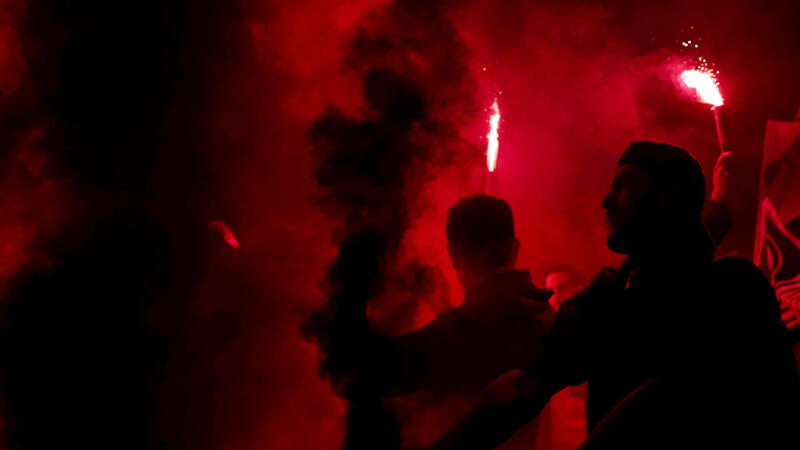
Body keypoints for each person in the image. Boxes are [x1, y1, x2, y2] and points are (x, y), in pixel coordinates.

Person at [429, 141, 800, 449]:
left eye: (623, 184)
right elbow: (526, 385)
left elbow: (667, 398)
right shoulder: (610, 297)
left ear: (669, 194)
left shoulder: (732, 289)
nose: (606, 201)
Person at [532, 265, 588, 450]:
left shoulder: (593, 332)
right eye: (550, 291)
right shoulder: (541, 336)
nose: (555, 295)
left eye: (561, 288)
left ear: (577, 289)